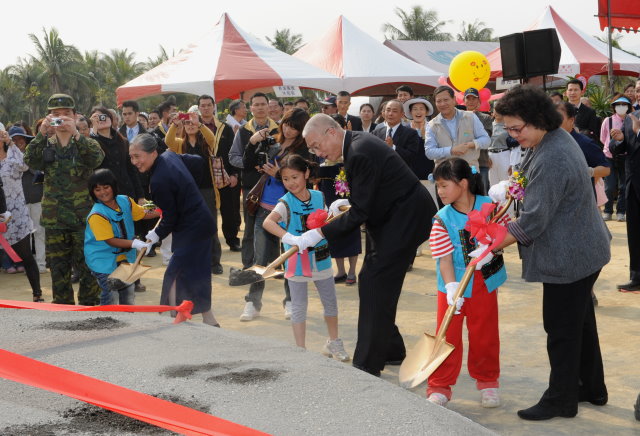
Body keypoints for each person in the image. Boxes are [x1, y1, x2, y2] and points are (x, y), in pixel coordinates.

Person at [492, 85, 610, 420]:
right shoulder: (548, 139)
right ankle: (591, 387)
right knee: (580, 322)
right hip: (581, 247)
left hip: (571, 255)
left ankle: (561, 398)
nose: (514, 136)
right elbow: (526, 187)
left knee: (560, 327)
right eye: (508, 129)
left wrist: (490, 244)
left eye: (518, 128)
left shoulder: (554, 154)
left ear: (538, 119)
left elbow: (534, 220)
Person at [301, 114, 437, 376]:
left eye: (316, 145)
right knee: (373, 281)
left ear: (331, 132)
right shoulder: (355, 144)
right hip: (390, 215)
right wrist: (345, 206)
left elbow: (361, 211)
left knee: (376, 281)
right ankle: (391, 349)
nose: (317, 153)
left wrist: (319, 233)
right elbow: (367, 197)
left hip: (405, 218)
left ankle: (367, 364)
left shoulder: (359, 151)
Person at [426, 158, 509, 408]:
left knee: (485, 333)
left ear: (463, 183)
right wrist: (452, 288)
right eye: (437, 187)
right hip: (451, 287)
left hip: (484, 282)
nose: (439, 192)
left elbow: (504, 237)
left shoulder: (491, 207)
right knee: (447, 335)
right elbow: (444, 260)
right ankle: (439, 385)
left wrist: (489, 252)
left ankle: (488, 382)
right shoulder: (441, 218)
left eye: (443, 186)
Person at [263, 154, 350, 360]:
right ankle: (300, 350)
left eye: (295, 177)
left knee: (330, 303)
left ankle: (333, 342)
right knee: (299, 306)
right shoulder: (285, 202)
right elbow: (268, 222)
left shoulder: (318, 196)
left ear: (306, 174)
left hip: (321, 258)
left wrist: (334, 212)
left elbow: (325, 220)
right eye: (285, 179)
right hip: (296, 263)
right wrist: (290, 238)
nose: (291, 183)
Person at [129, 133, 219, 326]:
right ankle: (208, 319)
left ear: (153, 153)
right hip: (201, 223)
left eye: (138, 156)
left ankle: (176, 318)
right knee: (197, 273)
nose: (134, 161)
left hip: (193, 229)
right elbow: (196, 162)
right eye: (131, 156)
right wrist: (186, 188)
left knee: (175, 274)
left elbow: (170, 218)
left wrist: (155, 235)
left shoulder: (159, 181)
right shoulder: (169, 155)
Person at [24, 94, 105, 305]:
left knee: (89, 266)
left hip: (83, 218)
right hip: (55, 219)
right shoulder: (45, 144)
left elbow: (97, 159)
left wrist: (76, 134)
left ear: (76, 116)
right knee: (58, 270)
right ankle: (63, 310)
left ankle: (90, 308)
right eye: (55, 115)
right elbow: (29, 160)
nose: (61, 119)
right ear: (48, 117)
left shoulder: (85, 143)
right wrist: (41, 135)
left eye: (66, 114)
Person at [238, 109, 311, 321]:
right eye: (287, 124)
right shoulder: (273, 142)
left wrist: (278, 174)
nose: (288, 129)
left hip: (290, 209)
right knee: (259, 258)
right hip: (265, 208)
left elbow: (302, 177)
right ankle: (252, 302)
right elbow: (247, 162)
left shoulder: (303, 150)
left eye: (294, 127)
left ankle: (290, 301)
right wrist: (252, 142)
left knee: (289, 258)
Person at [84, 169, 159, 305]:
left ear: (113, 186)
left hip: (125, 258)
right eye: (98, 190)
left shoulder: (125, 201)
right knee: (111, 295)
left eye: (106, 187)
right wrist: (135, 244)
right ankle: (108, 323)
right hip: (103, 260)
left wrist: (162, 211)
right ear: (92, 192)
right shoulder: (96, 214)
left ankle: (127, 320)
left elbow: (142, 213)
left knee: (128, 291)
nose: (103, 192)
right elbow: (110, 240)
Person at [165, 109, 224, 274]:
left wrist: (200, 124)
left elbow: (212, 138)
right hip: (187, 191)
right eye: (187, 123)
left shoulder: (206, 142)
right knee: (188, 227)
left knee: (209, 226)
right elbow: (168, 141)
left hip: (206, 190)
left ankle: (214, 262)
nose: (190, 126)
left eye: (192, 123)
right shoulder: (179, 143)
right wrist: (174, 125)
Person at [229, 92, 279, 271]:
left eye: (262, 104)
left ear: (269, 106)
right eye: (255, 104)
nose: (259, 107)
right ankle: (249, 265)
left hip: (275, 186)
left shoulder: (279, 129)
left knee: (274, 226)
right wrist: (250, 165)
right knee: (250, 227)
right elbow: (232, 156)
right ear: (250, 108)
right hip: (251, 187)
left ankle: (274, 265)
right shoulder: (243, 131)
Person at [0, 129, 44, 302]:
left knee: (26, 255)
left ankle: (37, 294)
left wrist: (11, 143)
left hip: (16, 215)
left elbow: (24, 165)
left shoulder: (12, 158)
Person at [197, 95, 241, 252]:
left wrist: (235, 174)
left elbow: (233, 152)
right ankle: (209, 244)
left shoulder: (225, 128)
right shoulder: (194, 127)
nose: (206, 108)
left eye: (209, 105)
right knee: (207, 212)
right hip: (204, 178)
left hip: (225, 175)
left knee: (229, 209)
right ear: (199, 108)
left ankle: (232, 240)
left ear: (214, 106)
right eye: (203, 105)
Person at [609, 100, 640, 293]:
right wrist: (619, 139)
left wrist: (638, 132)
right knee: (635, 234)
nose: (638, 93)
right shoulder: (630, 118)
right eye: (637, 90)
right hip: (633, 183)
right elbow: (618, 148)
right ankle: (636, 277)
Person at [425, 86, 491, 174]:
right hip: (445, 176)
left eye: (446, 100)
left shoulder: (470, 117)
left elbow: (486, 140)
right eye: (439, 101)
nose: (442, 104)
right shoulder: (432, 125)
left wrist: (471, 144)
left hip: (469, 173)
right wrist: (451, 150)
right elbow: (429, 152)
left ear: (454, 100)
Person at [8, 126, 46, 273]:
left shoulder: (34, 154)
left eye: (20, 138)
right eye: (14, 139)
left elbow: (40, 172)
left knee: (40, 232)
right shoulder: (8, 156)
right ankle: (29, 265)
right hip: (19, 202)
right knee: (25, 236)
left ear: (25, 139)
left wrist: (25, 161)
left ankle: (41, 264)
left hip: (37, 198)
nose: (18, 142)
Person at [373, 100, 429, 181]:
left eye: (394, 111)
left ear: (402, 114)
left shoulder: (410, 133)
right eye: (388, 110)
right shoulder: (376, 133)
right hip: (381, 177)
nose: (390, 114)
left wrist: (393, 147)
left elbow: (412, 156)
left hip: (402, 178)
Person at [601, 96, 632, 222]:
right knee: (609, 186)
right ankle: (608, 210)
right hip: (609, 157)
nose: (621, 107)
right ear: (613, 107)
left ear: (628, 107)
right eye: (618, 104)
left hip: (625, 157)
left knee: (624, 186)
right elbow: (603, 138)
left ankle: (621, 211)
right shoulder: (608, 120)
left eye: (624, 105)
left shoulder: (631, 120)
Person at [463, 88, 493, 193]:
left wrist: (467, 135)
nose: (471, 101)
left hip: (482, 162)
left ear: (479, 101)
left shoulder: (486, 118)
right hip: (463, 162)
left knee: (483, 192)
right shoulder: (458, 118)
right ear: (464, 101)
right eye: (468, 98)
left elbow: (486, 138)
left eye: (474, 98)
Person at [565, 79, 601, 145]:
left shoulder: (590, 112)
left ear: (582, 92)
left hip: (582, 146)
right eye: (570, 90)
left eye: (576, 90)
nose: (572, 93)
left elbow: (593, 134)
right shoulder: (558, 110)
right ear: (566, 92)